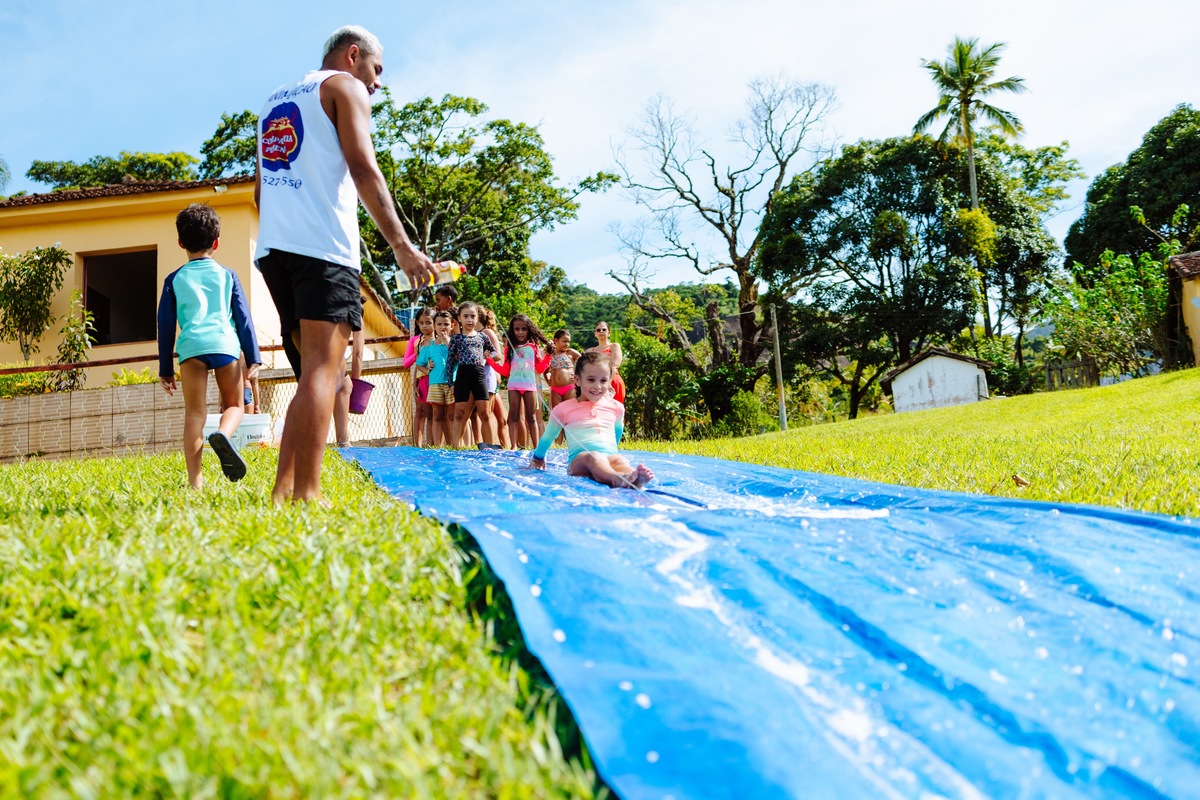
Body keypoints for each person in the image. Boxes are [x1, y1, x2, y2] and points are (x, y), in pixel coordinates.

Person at [255, 25, 437, 503]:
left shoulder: (274, 100)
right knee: (324, 372)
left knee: (310, 374)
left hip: (275, 249)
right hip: (322, 247)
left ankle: (283, 492)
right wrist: (401, 246)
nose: (377, 82)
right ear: (353, 55)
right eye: (376, 69)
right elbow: (362, 166)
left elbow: (260, 190)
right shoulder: (345, 87)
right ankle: (308, 494)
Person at [157, 204, 262, 489]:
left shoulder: (174, 279)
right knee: (234, 405)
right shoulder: (227, 276)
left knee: (194, 414)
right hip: (225, 345)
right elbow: (243, 317)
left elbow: (165, 325)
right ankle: (225, 434)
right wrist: (253, 357)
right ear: (216, 242)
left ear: (180, 243)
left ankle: (195, 482)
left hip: (190, 348)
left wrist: (165, 368)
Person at [529, 352, 653, 489]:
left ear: (610, 380)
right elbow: (548, 437)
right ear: (577, 380)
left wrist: (612, 452)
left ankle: (633, 477)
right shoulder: (563, 409)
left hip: (608, 457)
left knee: (619, 459)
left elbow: (617, 432)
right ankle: (616, 479)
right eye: (591, 380)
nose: (598, 386)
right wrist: (538, 458)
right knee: (593, 456)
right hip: (580, 463)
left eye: (603, 380)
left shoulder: (616, 407)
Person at [488, 314, 552, 449]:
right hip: (514, 385)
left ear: (529, 330)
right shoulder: (509, 348)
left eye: (524, 329)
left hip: (530, 386)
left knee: (531, 417)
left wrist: (548, 355)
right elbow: (505, 371)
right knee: (514, 416)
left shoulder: (533, 347)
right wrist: (489, 361)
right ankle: (514, 446)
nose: (520, 332)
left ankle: (536, 447)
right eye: (517, 329)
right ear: (512, 330)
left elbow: (540, 368)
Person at [447, 301, 500, 448]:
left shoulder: (482, 337)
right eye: (466, 316)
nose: (469, 319)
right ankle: (456, 446)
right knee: (460, 413)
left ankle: (490, 446)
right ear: (459, 319)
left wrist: (488, 354)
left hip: (479, 375)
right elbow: (450, 362)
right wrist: (451, 383)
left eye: (472, 316)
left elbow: (495, 352)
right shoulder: (456, 339)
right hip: (463, 375)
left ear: (477, 318)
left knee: (485, 413)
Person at [402, 308, 435, 446]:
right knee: (421, 411)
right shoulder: (415, 340)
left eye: (428, 322)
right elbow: (406, 363)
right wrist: (417, 353)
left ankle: (434, 444)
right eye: (421, 322)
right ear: (417, 323)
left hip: (437, 380)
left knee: (435, 413)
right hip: (422, 379)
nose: (425, 326)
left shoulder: (439, 339)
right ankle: (418, 445)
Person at [421, 310, 454, 446]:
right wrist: (427, 370)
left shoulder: (454, 342)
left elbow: (458, 358)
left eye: (446, 324)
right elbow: (419, 364)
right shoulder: (429, 345)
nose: (442, 327)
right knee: (437, 415)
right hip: (435, 384)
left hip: (452, 384)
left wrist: (448, 343)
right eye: (439, 324)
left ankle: (454, 444)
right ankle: (437, 446)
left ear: (452, 325)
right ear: (434, 326)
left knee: (452, 416)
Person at [332, 326, 365, 447]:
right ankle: (343, 443)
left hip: (291, 336)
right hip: (324, 344)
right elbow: (358, 353)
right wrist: (354, 385)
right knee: (345, 385)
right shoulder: (354, 307)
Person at [588, 321, 625, 402]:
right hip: (595, 383)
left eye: (604, 330)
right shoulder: (590, 351)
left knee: (616, 410)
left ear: (609, 333)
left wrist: (607, 381)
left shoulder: (614, 346)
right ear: (595, 333)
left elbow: (616, 363)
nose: (601, 331)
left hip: (613, 380)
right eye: (598, 330)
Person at [546, 328, 581, 411]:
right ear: (556, 340)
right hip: (555, 390)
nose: (567, 344)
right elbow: (545, 371)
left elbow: (584, 361)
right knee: (557, 414)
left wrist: (579, 375)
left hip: (569, 388)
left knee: (570, 412)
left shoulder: (570, 352)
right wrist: (548, 379)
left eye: (569, 342)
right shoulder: (550, 355)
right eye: (564, 341)